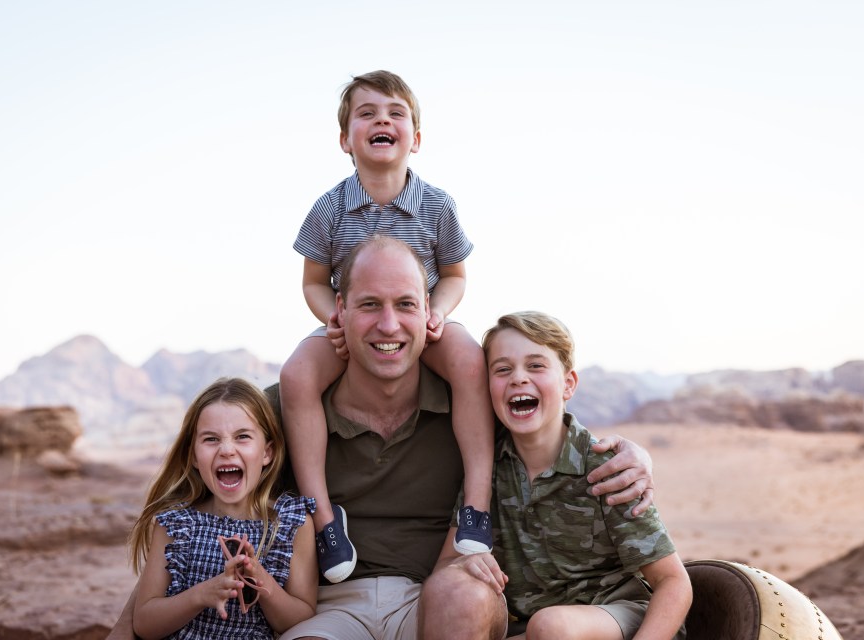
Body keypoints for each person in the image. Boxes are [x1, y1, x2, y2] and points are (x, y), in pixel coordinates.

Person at [106, 236, 656, 640]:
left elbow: (547, 427)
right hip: (328, 608)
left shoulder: (472, 406)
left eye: (405, 305)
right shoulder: (287, 413)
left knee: (463, 593)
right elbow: (195, 513)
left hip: (438, 598)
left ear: (430, 316)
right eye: (369, 304)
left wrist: (636, 454)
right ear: (339, 312)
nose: (389, 325)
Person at [280, 70, 496, 582]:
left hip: (420, 323)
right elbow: (312, 281)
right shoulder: (330, 208)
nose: (383, 120)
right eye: (368, 113)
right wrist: (329, 316)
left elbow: (455, 274)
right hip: (353, 326)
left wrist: (436, 312)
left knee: (469, 359)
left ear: (415, 139)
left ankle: (478, 506)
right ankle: (325, 521)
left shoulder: (437, 205)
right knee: (296, 376)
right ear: (345, 139)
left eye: (396, 113)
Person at [437, 311, 693, 640]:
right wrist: (463, 565)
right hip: (538, 629)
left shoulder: (606, 468)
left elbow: (673, 582)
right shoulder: (487, 468)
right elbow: (445, 566)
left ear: (568, 384)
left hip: (621, 616)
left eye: (536, 365)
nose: (518, 378)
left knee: (551, 625)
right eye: (502, 369)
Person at [127, 377, 318, 639]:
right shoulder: (176, 524)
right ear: (193, 456)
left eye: (242, 437)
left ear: (267, 453)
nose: (227, 449)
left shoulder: (291, 523)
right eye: (211, 439)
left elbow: (298, 619)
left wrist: (260, 580)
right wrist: (201, 594)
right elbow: (144, 624)